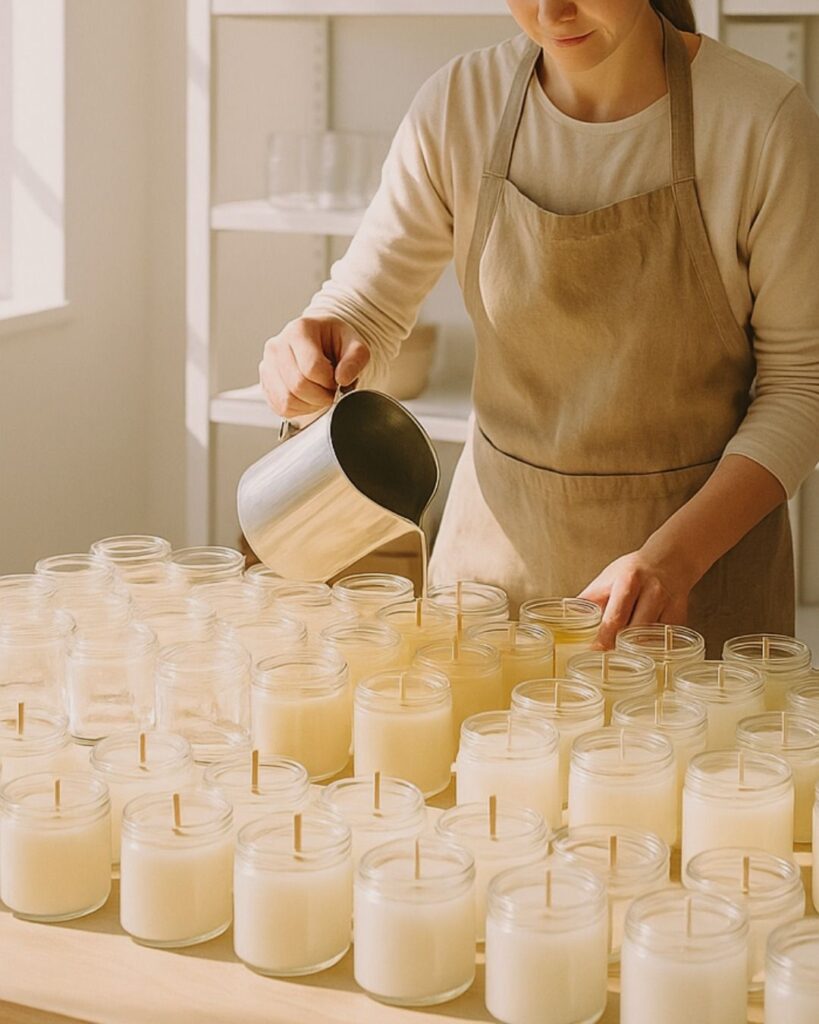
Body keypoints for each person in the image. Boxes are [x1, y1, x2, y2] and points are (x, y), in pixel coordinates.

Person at [259, 1, 819, 655]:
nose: (551, 11)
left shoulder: (760, 121)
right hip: (489, 595)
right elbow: (366, 305)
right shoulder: (460, 104)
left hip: (691, 603)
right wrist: (315, 339)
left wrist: (675, 557)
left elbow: (801, 385)